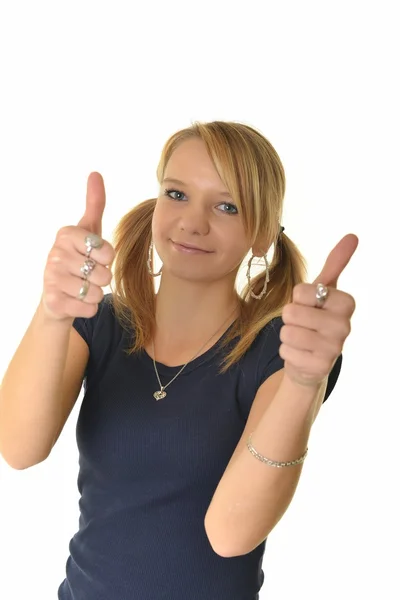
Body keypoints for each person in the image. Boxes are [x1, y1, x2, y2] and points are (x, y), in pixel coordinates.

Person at [0, 120, 357, 600]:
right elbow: (18, 450)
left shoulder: (283, 349)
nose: (193, 222)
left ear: (263, 233)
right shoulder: (100, 323)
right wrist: (52, 312)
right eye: (177, 194)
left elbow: (230, 534)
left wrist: (302, 382)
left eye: (227, 206)